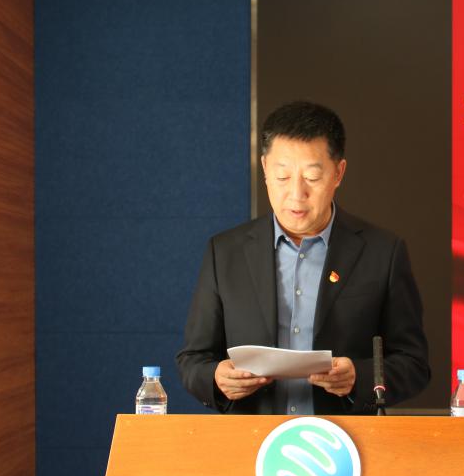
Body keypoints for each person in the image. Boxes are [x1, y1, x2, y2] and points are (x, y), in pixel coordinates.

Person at [176, 100, 430, 415]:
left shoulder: (382, 252)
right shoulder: (225, 252)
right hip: (253, 439)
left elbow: (414, 364)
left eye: (312, 177)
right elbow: (193, 360)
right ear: (265, 169)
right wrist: (216, 379)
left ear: (338, 173)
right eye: (283, 176)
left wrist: (359, 378)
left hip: (345, 439)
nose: (296, 194)